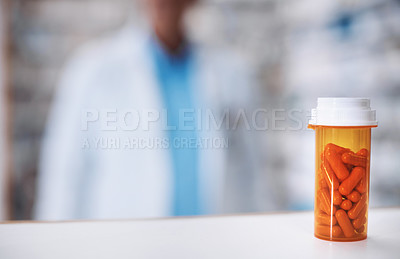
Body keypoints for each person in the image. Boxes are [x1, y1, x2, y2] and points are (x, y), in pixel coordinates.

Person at [34, 0, 257, 220]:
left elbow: (252, 175)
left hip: (215, 245)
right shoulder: (94, 70)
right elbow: (65, 176)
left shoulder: (230, 73)